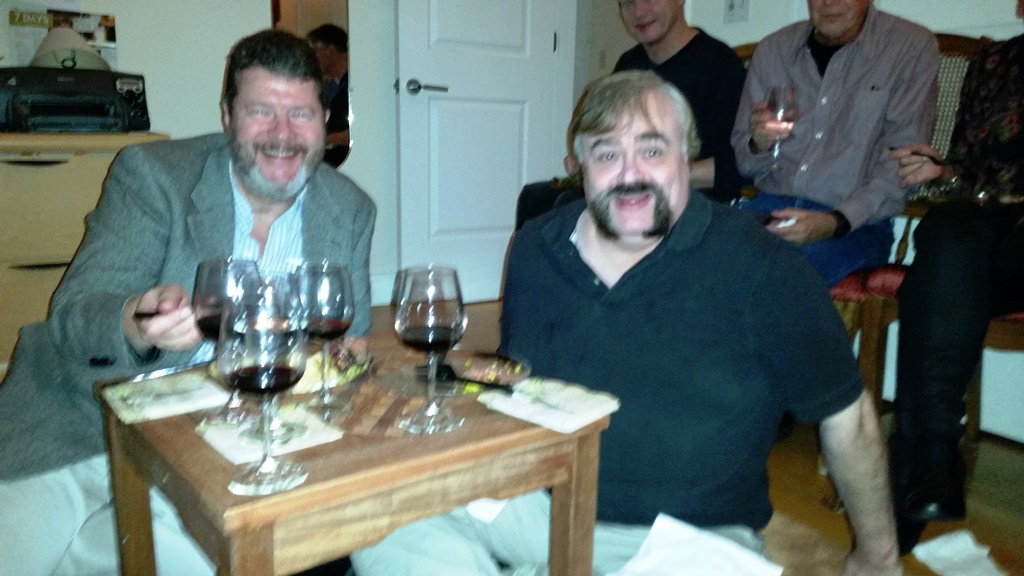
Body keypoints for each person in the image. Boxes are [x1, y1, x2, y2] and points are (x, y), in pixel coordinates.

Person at [351, 71, 900, 575]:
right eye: (607, 153)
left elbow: (848, 419)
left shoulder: (764, 269)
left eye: (652, 150)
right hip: (538, 506)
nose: (630, 173)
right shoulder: (537, 248)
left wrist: (877, 557)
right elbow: (521, 382)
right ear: (579, 165)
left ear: (687, 158)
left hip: (687, 539)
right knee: (378, 518)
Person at [0, 29, 376, 576]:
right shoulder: (155, 177)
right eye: (261, 112)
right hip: (85, 430)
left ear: (324, 121)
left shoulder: (350, 210)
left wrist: (346, 362)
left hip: (224, 452)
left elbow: (345, 345)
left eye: (301, 114)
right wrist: (137, 320)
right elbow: (73, 315)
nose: (283, 134)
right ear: (227, 117)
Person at [887, 1, 1024, 554]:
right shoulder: (994, 63)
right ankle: (935, 454)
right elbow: (968, 168)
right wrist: (941, 171)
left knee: (933, 284)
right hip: (992, 235)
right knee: (945, 239)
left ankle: (920, 467)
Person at [731, 0, 938, 287]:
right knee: (688, 255)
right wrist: (759, 144)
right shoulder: (774, 49)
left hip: (855, 225)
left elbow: (901, 166)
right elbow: (744, 162)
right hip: (769, 208)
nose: (828, 2)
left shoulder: (909, 46)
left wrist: (836, 221)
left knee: (773, 277)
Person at [614, 0, 747, 203]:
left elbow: (739, 166)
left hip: (699, 205)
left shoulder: (720, 66)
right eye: (627, 2)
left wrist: (658, 172)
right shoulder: (627, 66)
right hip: (632, 197)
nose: (639, 11)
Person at [307, 23, 351, 167]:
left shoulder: (357, 85)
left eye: (314, 51)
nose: (312, 59)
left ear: (329, 50)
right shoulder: (332, 86)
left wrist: (322, 140)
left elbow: (358, 132)